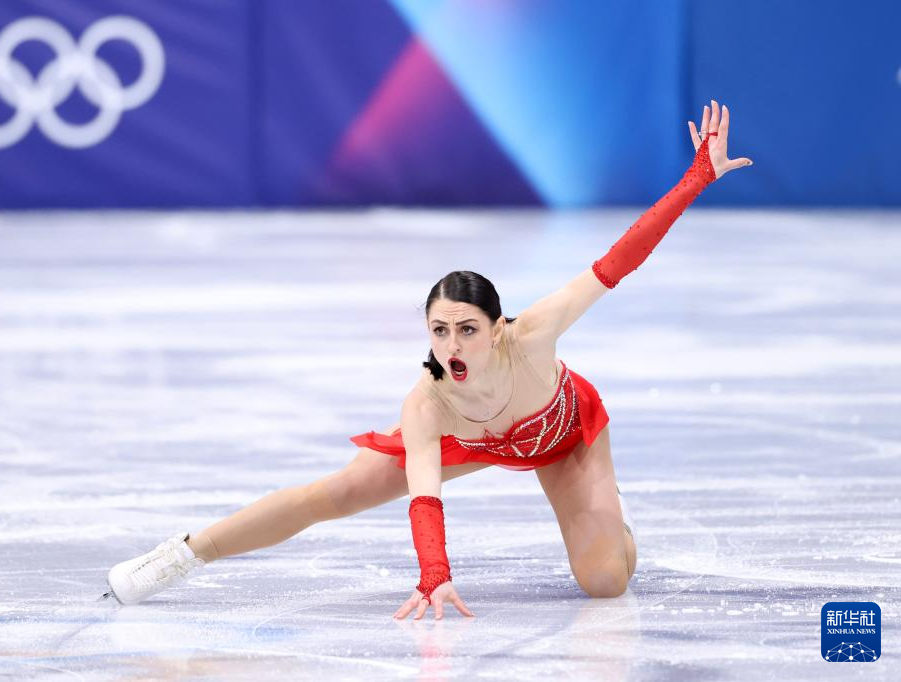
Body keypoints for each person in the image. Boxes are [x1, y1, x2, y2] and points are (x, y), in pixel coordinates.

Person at [103, 100, 752, 619]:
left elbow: (622, 258)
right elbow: (425, 498)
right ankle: (183, 554)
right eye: (439, 330)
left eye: (467, 329)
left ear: (498, 328)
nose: (451, 345)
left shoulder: (533, 334)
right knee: (335, 494)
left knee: (606, 581)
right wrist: (435, 575)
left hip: (563, 436)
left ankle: (615, 517)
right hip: (473, 439)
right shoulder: (428, 401)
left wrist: (696, 179)